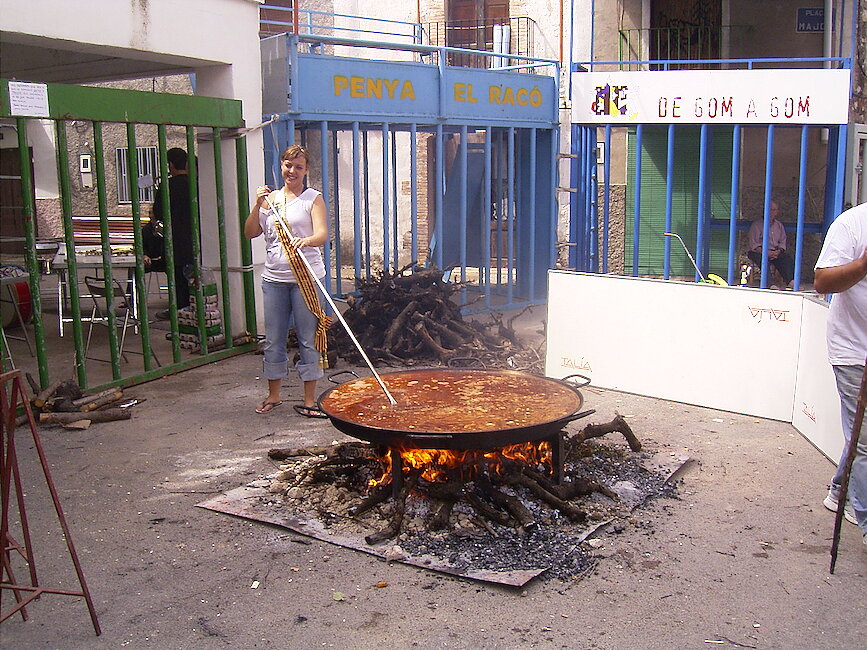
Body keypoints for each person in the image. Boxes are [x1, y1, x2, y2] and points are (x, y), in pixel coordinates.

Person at [245, 144, 329, 417]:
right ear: (281, 166)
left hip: (306, 277)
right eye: (288, 165)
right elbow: (250, 232)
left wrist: (305, 241)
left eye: (298, 167)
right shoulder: (270, 201)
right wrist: (257, 204)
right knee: (273, 338)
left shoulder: (312, 199)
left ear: (306, 171)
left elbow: (322, 234)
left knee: (307, 338)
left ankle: (308, 400)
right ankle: (274, 395)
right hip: (274, 279)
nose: (292, 171)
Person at [814, 201, 867, 549]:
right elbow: (822, 281)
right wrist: (864, 264)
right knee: (865, 441)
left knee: (860, 436)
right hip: (854, 349)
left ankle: (840, 488)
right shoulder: (853, 224)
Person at [151, 147, 196, 319]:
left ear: (170, 165)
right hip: (197, 238)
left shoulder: (167, 186)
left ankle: (179, 311)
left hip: (175, 240)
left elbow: (159, 212)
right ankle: (195, 310)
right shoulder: (195, 184)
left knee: (178, 279)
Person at [746, 200, 794, 289]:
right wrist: (766, 253)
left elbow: (783, 241)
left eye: (774, 210)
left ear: (777, 212)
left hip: (774, 251)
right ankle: (770, 284)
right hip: (758, 252)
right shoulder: (757, 225)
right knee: (763, 260)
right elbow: (753, 243)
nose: (772, 212)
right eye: (770, 209)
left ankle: (790, 281)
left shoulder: (779, 225)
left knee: (786, 259)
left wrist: (778, 252)